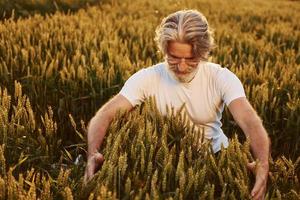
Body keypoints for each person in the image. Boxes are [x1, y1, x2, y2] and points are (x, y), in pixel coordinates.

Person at [84, 10, 270, 200]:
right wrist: (93, 153)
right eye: (173, 57)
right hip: (165, 160)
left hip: (216, 157)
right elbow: (105, 115)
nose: (181, 67)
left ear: (203, 53)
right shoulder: (147, 77)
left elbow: (249, 121)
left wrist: (263, 164)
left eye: (190, 59)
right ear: (164, 50)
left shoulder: (221, 78)